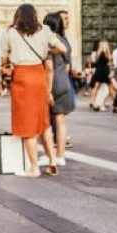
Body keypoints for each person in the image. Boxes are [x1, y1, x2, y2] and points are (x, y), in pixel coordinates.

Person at [0, 3, 66, 178]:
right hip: (39, 75)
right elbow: (63, 48)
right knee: (43, 121)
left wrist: (7, 67)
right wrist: (45, 50)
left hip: (22, 76)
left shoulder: (9, 33)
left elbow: (4, 61)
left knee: (27, 124)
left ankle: (34, 168)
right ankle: (52, 160)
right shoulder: (44, 30)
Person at [40, 12, 75, 167]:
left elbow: (48, 68)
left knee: (45, 123)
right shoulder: (64, 42)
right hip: (64, 82)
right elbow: (67, 67)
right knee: (61, 122)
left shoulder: (47, 41)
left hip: (50, 84)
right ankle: (60, 156)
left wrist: (48, 90)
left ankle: (49, 155)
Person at [89, 41, 113, 111]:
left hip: (99, 71)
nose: (108, 46)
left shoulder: (98, 53)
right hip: (102, 72)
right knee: (107, 87)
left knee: (97, 87)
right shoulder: (103, 53)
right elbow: (109, 60)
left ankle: (94, 102)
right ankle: (115, 103)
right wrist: (108, 52)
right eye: (107, 45)